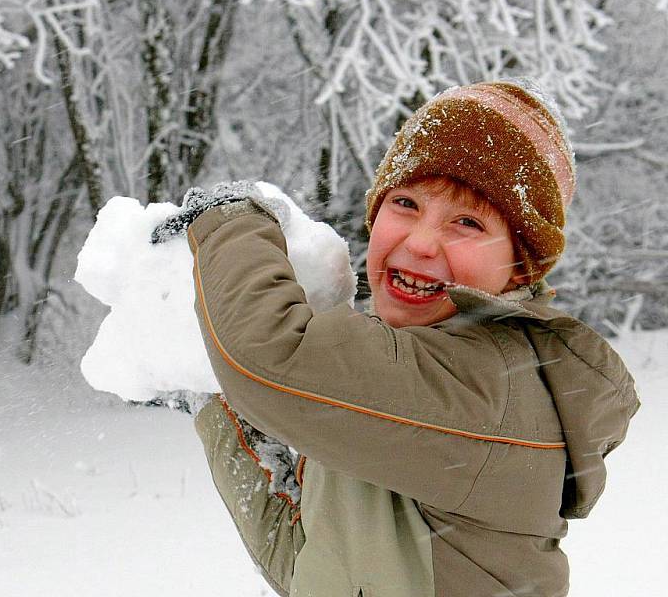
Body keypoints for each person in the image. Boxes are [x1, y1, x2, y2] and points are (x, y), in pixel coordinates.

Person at [153, 79, 640, 597]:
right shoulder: (394, 398)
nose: (422, 241)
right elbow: (315, 562)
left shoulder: (488, 384)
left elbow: (268, 357)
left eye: (468, 222)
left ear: (520, 269)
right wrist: (213, 405)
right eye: (406, 203)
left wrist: (231, 221)